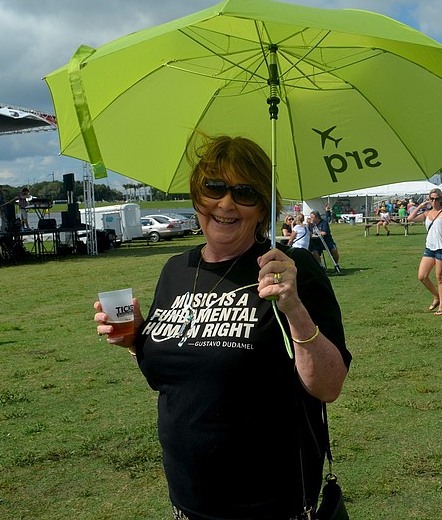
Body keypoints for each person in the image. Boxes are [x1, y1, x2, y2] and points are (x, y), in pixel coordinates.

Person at [93, 135, 351, 520]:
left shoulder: (291, 270)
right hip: (188, 501)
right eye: (214, 188)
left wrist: (293, 306)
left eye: (244, 192)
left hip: (270, 504)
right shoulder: (176, 270)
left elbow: (328, 387)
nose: (226, 203)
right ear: (197, 195)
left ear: (263, 207)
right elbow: (173, 381)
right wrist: (135, 340)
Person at [407, 187, 442, 316]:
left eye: (437, 199)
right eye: (432, 199)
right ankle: (436, 296)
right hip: (430, 248)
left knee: (439, 277)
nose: (434, 201)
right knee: (422, 276)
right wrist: (421, 206)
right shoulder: (427, 213)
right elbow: (410, 218)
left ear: (441, 200)